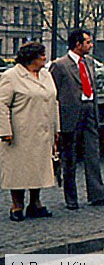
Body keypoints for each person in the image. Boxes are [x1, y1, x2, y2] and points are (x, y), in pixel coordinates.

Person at [50, 29, 104, 210]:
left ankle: (98, 194)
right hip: (70, 115)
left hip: (89, 111)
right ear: (77, 44)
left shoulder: (89, 62)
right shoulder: (60, 65)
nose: (91, 45)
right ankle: (71, 198)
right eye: (88, 42)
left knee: (93, 154)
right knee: (69, 157)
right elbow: (53, 93)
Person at [0, 42, 60, 222]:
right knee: (19, 170)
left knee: (39, 169)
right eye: (41, 54)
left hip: (43, 131)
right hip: (20, 132)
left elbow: (53, 101)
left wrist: (57, 128)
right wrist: (5, 130)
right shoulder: (11, 76)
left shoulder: (46, 75)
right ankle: (16, 206)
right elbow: (1, 104)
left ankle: (35, 203)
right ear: (31, 57)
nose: (45, 57)